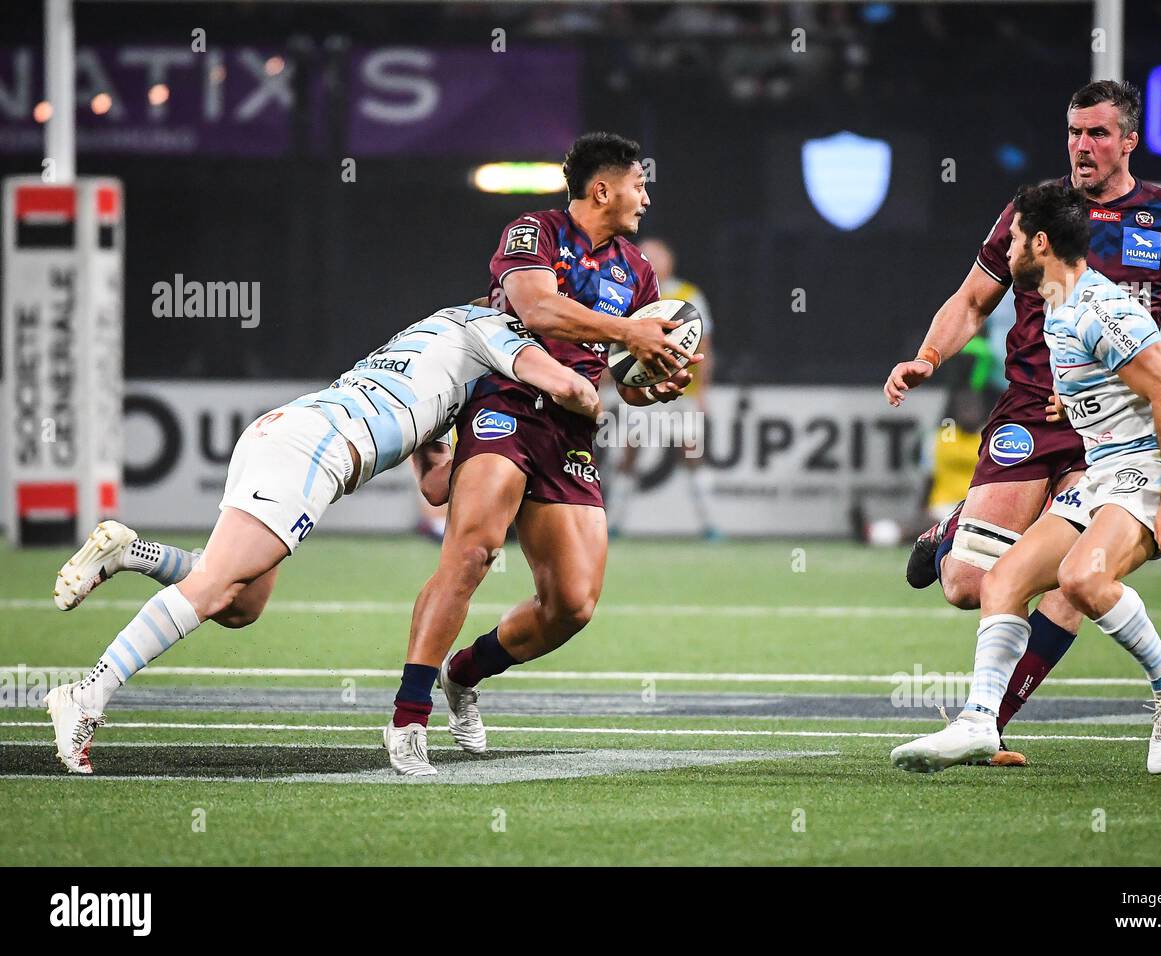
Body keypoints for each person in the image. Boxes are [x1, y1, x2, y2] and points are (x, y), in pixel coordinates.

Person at [43, 305, 599, 775]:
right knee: (214, 588)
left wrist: (484, 464)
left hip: (287, 430)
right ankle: (85, 695)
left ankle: (129, 552)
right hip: (315, 451)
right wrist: (628, 355)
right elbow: (572, 386)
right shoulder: (489, 325)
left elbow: (434, 487)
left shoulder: (444, 352)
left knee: (242, 605)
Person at [884, 80, 1161, 764]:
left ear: (1129, 140)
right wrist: (928, 357)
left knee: (1076, 582)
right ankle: (958, 529)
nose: (1082, 146)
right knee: (966, 583)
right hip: (1034, 414)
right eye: (1074, 132)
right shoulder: (1034, 213)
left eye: (1098, 134)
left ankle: (989, 722)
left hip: (1112, 437)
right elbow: (971, 300)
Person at [387, 132, 700, 770]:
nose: (647, 195)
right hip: (505, 404)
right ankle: (408, 716)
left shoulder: (637, 271)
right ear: (603, 188)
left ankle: (464, 674)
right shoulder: (535, 231)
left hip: (573, 431)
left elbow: (622, 375)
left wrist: (654, 383)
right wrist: (630, 331)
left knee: (572, 604)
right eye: (640, 182)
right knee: (472, 552)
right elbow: (536, 308)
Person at [606, 236, 718, 538]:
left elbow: (705, 345)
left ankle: (710, 524)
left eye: (658, 258)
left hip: (683, 390)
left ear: (670, 262)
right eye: (647, 257)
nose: (653, 263)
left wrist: (703, 392)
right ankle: (614, 523)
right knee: (629, 451)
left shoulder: (688, 294)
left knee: (692, 453)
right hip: (643, 389)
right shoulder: (628, 294)